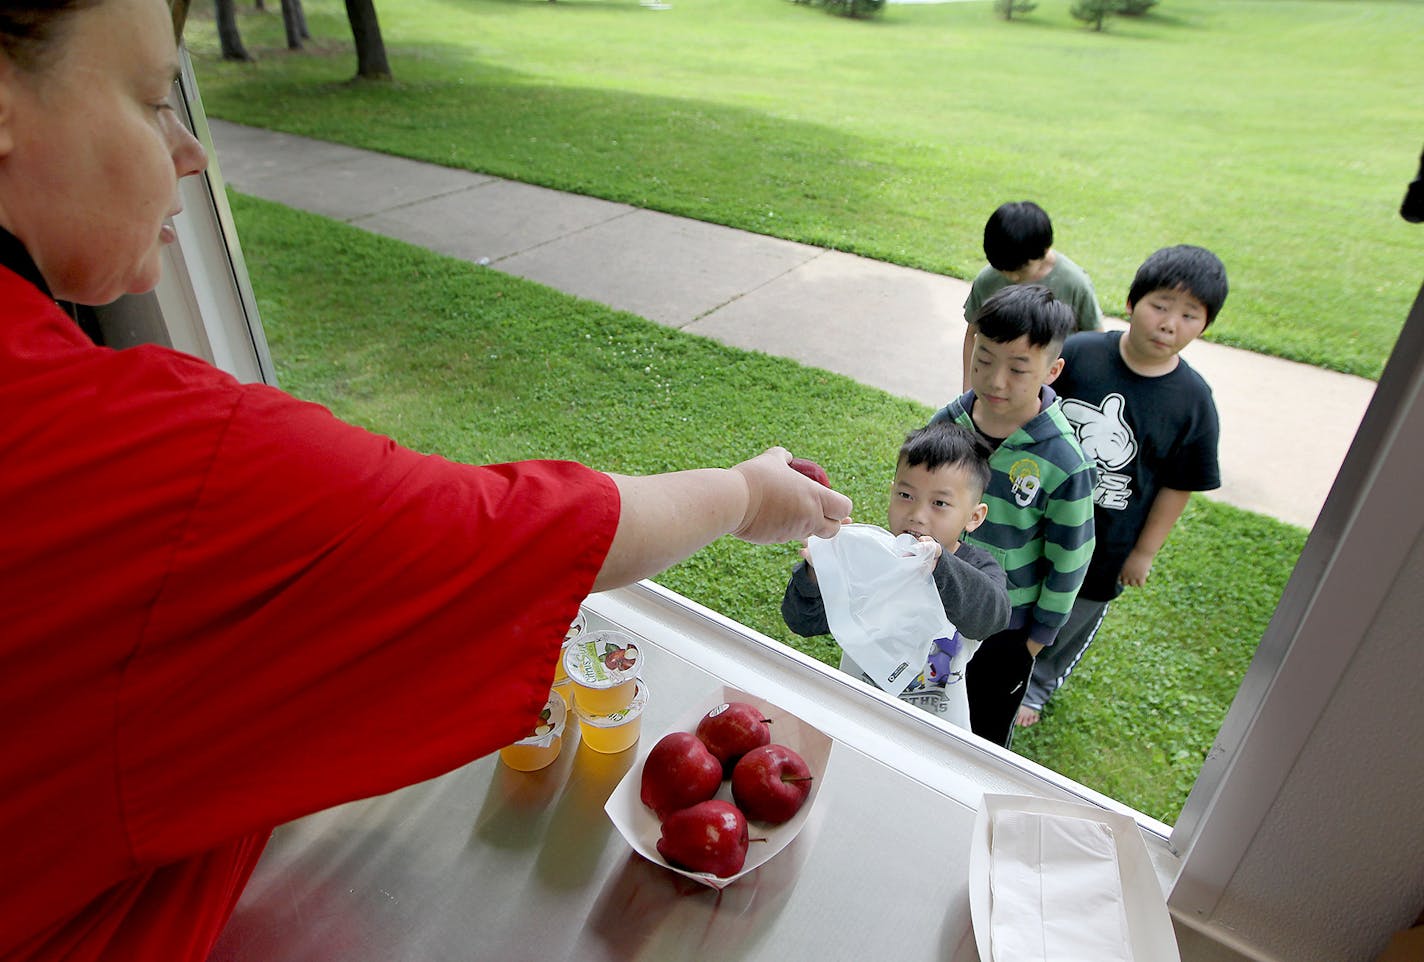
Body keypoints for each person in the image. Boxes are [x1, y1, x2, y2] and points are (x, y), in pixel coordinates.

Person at [0, 2, 853, 960]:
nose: (189, 151)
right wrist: (743, 495)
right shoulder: (137, 457)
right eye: (153, 97)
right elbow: (503, 534)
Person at [1016, 245, 1227, 729]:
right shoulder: (1080, 353)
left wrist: (1145, 553)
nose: (1169, 323)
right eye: (1160, 305)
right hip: (1037, 514)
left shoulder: (1193, 403)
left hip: (1106, 543)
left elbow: (1178, 485)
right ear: (1132, 303)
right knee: (1023, 586)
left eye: (1189, 314)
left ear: (1204, 326)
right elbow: (1031, 412)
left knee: (1072, 618)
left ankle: (1039, 683)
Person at [930, 284, 1096, 747]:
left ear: (1053, 370)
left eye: (1018, 369)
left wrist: (1036, 640)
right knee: (926, 700)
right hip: (937, 605)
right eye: (983, 361)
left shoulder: (1064, 461)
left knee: (981, 731)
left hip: (1008, 630)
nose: (995, 381)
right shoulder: (946, 426)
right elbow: (918, 503)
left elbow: (1070, 561)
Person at [780, 421, 1011, 721]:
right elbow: (803, 622)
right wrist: (817, 574)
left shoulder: (975, 569)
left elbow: (992, 617)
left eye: (939, 503)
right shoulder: (871, 558)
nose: (917, 515)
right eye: (905, 496)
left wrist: (940, 566)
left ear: (974, 516)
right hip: (856, 713)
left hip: (936, 729)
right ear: (891, 492)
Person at [959, 201, 1102, 392]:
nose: (1012, 277)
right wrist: (968, 391)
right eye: (1003, 269)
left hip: (1054, 389)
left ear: (1044, 250)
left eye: (1020, 269)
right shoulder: (988, 279)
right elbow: (972, 335)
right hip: (999, 385)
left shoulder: (1074, 283)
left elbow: (1096, 340)